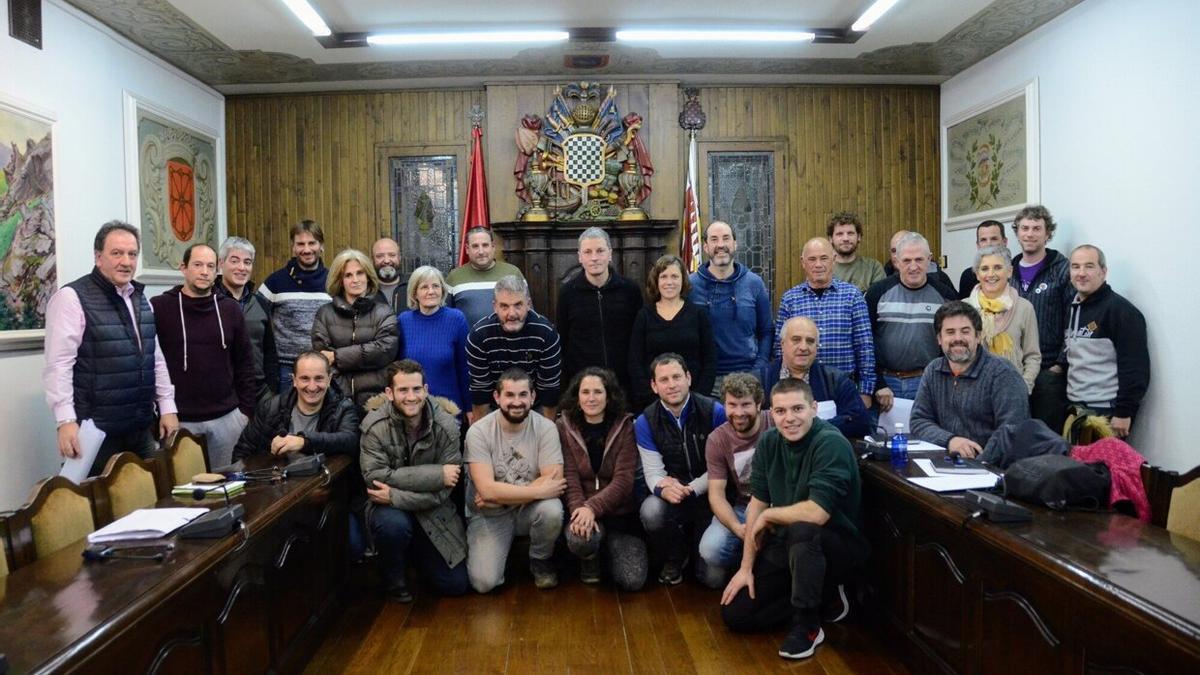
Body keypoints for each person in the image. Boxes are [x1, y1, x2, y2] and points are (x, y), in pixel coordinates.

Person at [720, 378, 869, 661]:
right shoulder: (768, 442)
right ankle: (826, 596)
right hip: (790, 542)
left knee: (804, 528)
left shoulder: (830, 443)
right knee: (736, 615)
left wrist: (771, 515)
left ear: (813, 408)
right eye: (780, 411)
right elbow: (757, 505)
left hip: (837, 543)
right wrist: (746, 567)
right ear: (771, 413)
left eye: (797, 409)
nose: (789, 418)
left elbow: (816, 513)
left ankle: (808, 624)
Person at [43, 221, 178, 476]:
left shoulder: (140, 299)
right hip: (95, 434)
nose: (126, 261)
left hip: (140, 429)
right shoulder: (72, 298)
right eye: (117, 253)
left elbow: (154, 357)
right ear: (98, 257)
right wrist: (66, 421)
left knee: (154, 500)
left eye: (132, 254)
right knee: (97, 510)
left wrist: (167, 406)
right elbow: (58, 365)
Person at [359, 360, 469, 602]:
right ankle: (394, 579)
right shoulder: (374, 426)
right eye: (403, 390)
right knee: (393, 527)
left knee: (456, 585)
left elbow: (445, 492)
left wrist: (396, 495)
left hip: (433, 509)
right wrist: (437, 475)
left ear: (426, 390)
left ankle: (418, 556)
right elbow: (376, 478)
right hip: (389, 510)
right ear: (389, 393)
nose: (411, 397)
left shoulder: (447, 425)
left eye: (416, 389)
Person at [151, 244, 256, 468]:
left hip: (227, 420)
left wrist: (245, 412)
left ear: (217, 269)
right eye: (197, 265)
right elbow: (150, 363)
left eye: (210, 266)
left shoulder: (230, 309)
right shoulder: (160, 308)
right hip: (179, 422)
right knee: (182, 495)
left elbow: (245, 363)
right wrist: (161, 412)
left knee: (229, 491)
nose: (204, 271)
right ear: (183, 268)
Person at [464, 368, 566, 592]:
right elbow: (486, 490)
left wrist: (500, 497)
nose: (516, 402)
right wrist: (536, 490)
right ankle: (501, 554)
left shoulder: (547, 428)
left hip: (524, 510)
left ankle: (540, 559)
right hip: (488, 515)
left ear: (533, 397)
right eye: (509, 395)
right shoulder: (478, 432)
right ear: (496, 397)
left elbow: (554, 480)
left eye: (523, 395)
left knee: (551, 509)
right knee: (484, 584)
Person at [636, 353, 727, 585]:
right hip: (673, 495)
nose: (672, 384)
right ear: (654, 386)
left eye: (677, 377)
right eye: (664, 380)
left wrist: (692, 488)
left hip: (711, 494)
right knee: (651, 511)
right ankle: (675, 555)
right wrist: (662, 488)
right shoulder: (645, 421)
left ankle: (698, 549)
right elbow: (652, 471)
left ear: (688, 378)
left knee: (712, 580)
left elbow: (722, 467)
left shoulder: (714, 411)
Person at [557, 367, 648, 591]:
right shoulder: (563, 426)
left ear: (609, 396)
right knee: (580, 541)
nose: (591, 398)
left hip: (621, 515)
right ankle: (590, 557)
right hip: (582, 512)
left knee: (632, 580)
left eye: (598, 392)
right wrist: (581, 511)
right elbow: (569, 477)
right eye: (585, 392)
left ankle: (609, 548)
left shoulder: (626, 426)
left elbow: (624, 480)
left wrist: (592, 508)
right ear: (577, 397)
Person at [910, 302, 1031, 457]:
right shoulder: (933, 370)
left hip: (991, 468)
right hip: (943, 462)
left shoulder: (1003, 374)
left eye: (965, 331)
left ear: (978, 336)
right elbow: (919, 421)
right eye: (950, 332)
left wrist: (979, 462)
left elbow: (1012, 431)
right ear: (939, 339)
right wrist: (950, 440)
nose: (958, 338)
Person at [1060, 245, 1150, 439]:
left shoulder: (1122, 312)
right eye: (1075, 267)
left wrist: (1124, 412)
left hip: (1107, 414)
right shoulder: (1073, 307)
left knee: (1102, 470)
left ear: (1103, 271)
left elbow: (1135, 368)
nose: (1081, 273)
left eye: (1089, 266)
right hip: (1076, 411)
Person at [774, 237, 875, 409]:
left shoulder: (852, 296)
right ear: (803, 262)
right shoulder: (790, 299)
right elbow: (779, 347)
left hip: (844, 388)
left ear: (834, 260)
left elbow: (865, 345)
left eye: (824, 258)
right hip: (800, 390)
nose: (818, 264)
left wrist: (865, 391)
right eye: (812, 259)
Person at [865, 232, 958, 410]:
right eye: (907, 260)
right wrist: (877, 383)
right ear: (897, 261)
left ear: (929, 260)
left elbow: (951, 343)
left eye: (919, 259)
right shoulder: (877, 293)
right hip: (885, 387)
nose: (913, 266)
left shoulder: (945, 295)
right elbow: (865, 343)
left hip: (928, 382)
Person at [700, 373, 773, 590]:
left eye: (746, 405)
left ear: (759, 404)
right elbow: (716, 494)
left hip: (778, 504)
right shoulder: (717, 439)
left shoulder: (775, 422)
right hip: (743, 507)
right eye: (732, 405)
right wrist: (737, 528)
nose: (739, 413)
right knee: (710, 552)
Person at [1008, 205, 1074, 433]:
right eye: (1025, 228)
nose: (1030, 233)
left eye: (1037, 228)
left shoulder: (1062, 270)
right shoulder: (1008, 271)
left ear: (1048, 234)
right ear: (1017, 232)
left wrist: (1060, 363)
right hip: (1015, 369)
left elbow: (1073, 317)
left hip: (1048, 371)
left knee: (1045, 436)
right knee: (1015, 434)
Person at [688, 221, 773, 393]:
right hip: (706, 380)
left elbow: (767, 331)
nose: (720, 245)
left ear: (735, 243)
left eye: (726, 239)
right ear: (705, 247)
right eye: (714, 239)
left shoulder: (754, 283)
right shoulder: (690, 285)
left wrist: (759, 368)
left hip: (749, 376)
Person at [311, 248, 400, 410]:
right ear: (340, 280)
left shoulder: (384, 312)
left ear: (368, 277)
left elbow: (384, 351)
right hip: (336, 400)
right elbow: (323, 359)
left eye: (360, 273)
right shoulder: (325, 314)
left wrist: (338, 356)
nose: (355, 280)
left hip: (377, 401)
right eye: (348, 275)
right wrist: (340, 392)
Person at [556, 227, 643, 392]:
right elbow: (563, 341)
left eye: (600, 251)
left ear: (610, 254)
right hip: (583, 386)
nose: (594, 258)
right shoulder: (567, 293)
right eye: (587, 252)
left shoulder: (630, 290)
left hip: (624, 384)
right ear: (579, 257)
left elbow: (638, 340)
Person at [232, 351, 360, 461]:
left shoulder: (344, 408)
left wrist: (304, 442)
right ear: (294, 380)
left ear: (329, 379)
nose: (312, 386)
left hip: (323, 485)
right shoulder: (271, 407)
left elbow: (350, 440)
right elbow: (243, 451)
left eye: (319, 378)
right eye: (305, 378)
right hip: (275, 485)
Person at [465, 275, 562, 420]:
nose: (512, 314)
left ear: (528, 304)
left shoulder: (546, 333)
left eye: (518, 305)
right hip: (494, 409)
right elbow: (480, 390)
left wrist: (547, 431)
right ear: (495, 307)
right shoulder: (479, 335)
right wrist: (482, 432)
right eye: (504, 306)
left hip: (534, 407)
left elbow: (549, 389)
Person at [629, 255, 717, 410]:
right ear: (656, 281)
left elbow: (709, 359)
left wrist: (697, 398)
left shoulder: (697, 314)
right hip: (653, 403)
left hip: (694, 401)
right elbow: (635, 362)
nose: (669, 282)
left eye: (675, 276)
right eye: (663, 277)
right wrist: (651, 400)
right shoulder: (644, 316)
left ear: (683, 280)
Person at [764, 317, 872, 438]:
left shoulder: (836, 380)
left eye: (810, 341)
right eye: (796, 340)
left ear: (816, 347)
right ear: (782, 344)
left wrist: (811, 428)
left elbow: (861, 422)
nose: (804, 347)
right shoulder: (762, 380)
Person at [259, 220, 331, 391]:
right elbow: (255, 317)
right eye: (300, 244)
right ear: (293, 247)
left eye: (312, 243)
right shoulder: (275, 281)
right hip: (286, 369)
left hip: (321, 368)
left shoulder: (333, 281)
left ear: (321, 246)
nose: (306, 250)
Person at [964, 245, 1041, 393]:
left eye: (998, 267)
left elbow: (1032, 356)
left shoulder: (1025, 308)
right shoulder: (964, 308)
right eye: (984, 269)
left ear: (1009, 271)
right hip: (973, 392)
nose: (991, 274)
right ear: (977, 274)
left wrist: (1024, 387)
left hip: (1012, 392)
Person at [398, 266, 471, 418]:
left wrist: (469, 408)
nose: (431, 291)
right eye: (424, 287)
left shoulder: (456, 319)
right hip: (412, 409)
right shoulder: (403, 321)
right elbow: (397, 369)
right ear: (414, 293)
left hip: (448, 410)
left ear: (442, 290)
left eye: (436, 286)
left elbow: (464, 368)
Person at [215, 236, 277, 399]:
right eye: (234, 261)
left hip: (259, 391)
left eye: (247, 262)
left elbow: (269, 351)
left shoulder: (261, 303)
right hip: (221, 391)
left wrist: (271, 388)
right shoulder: (209, 301)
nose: (242, 267)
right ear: (221, 263)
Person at [447, 227, 525, 328]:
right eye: (475, 246)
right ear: (467, 249)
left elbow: (527, 310)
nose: (481, 251)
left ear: (493, 247)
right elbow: (445, 317)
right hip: (467, 342)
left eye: (485, 245)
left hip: (509, 342)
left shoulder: (513, 273)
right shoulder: (454, 277)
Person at [829, 212, 885, 293]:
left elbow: (877, 300)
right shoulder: (822, 268)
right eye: (839, 234)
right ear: (831, 239)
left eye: (850, 233)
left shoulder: (873, 268)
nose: (845, 238)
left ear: (858, 237)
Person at [883, 229, 955, 289]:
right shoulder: (883, 278)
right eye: (894, 251)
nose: (913, 267)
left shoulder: (941, 281)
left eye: (918, 259)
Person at [958, 220, 1007, 299]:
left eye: (994, 239)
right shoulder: (968, 276)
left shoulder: (1015, 272)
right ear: (978, 245)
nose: (989, 244)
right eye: (983, 240)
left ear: (1005, 242)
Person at [371, 237, 408, 314]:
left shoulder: (412, 287)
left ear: (399, 258)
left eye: (392, 255)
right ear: (372, 259)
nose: (386, 261)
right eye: (379, 256)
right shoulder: (366, 289)